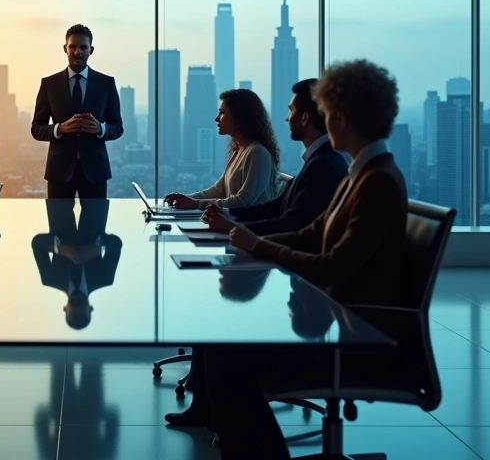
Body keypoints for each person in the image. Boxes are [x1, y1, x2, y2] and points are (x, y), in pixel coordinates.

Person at [193, 59, 409, 459]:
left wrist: (255, 243)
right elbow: (311, 233)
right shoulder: (360, 173)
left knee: (227, 359)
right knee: (223, 346)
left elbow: (332, 266)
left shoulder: (374, 182)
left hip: (352, 339)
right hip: (338, 322)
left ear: (340, 117)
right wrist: (250, 238)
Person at [199, 79, 348, 236]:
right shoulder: (319, 160)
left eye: (291, 111)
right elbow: (276, 207)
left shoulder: (322, 165)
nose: (287, 118)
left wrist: (232, 228)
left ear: (304, 118)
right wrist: (226, 213)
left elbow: (291, 224)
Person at [30, 24, 124, 199]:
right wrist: (60, 129)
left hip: (95, 172)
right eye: (72, 46)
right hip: (59, 172)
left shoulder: (106, 84)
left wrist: (100, 129)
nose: (77, 52)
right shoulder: (49, 84)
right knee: (59, 226)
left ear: (91, 50)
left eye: (83, 47)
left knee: (94, 226)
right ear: (65, 48)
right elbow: (36, 128)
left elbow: (117, 127)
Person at [163, 88, 280, 210]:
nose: (217, 118)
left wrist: (196, 204)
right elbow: (217, 191)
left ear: (239, 117)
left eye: (222, 112)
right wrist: (186, 199)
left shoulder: (257, 152)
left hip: (249, 227)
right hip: (234, 224)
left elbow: (243, 201)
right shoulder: (238, 151)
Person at [30, 198, 122, 330]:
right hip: (95, 205)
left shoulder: (49, 279)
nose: (78, 309)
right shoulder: (104, 279)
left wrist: (58, 248)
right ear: (90, 309)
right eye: (82, 313)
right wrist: (98, 247)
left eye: (73, 313)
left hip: (58, 204)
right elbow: (116, 244)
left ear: (65, 309)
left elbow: (37, 244)